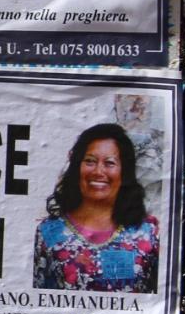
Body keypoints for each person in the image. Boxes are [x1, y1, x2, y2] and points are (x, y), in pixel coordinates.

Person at [33, 123, 159, 292]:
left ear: (124, 171)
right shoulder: (48, 232)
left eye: (110, 163)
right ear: (77, 166)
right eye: (90, 161)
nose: (99, 171)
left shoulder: (149, 232)